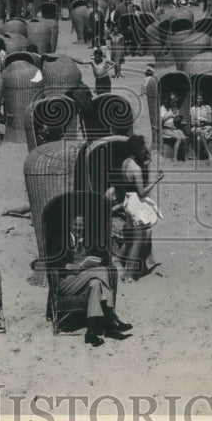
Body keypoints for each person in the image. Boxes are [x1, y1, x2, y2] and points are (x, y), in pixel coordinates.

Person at [57, 213, 133, 347]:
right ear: (70, 225)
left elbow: (103, 256)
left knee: (96, 283)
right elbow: (54, 263)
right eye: (75, 225)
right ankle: (111, 318)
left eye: (81, 225)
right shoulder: (61, 239)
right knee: (102, 271)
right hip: (68, 282)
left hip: (86, 279)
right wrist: (71, 266)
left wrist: (93, 260)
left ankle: (91, 333)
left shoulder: (87, 239)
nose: (78, 228)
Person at [109, 135, 162, 283]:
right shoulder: (136, 168)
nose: (143, 151)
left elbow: (131, 182)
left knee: (133, 236)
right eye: (141, 149)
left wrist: (144, 165)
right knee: (139, 240)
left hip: (128, 200)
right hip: (136, 204)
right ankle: (129, 275)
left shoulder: (126, 162)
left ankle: (117, 259)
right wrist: (155, 180)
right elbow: (142, 192)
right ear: (136, 149)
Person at [160, 92, 188, 160]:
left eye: (175, 101)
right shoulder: (163, 108)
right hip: (165, 129)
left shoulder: (173, 108)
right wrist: (170, 116)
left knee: (184, 138)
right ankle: (175, 158)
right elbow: (161, 120)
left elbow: (175, 121)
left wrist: (177, 119)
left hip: (173, 128)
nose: (174, 103)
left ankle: (185, 157)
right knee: (178, 138)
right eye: (173, 101)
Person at [188, 92, 212, 161]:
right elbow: (191, 122)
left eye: (201, 98)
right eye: (198, 99)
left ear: (203, 99)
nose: (199, 100)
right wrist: (196, 122)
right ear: (195, 99)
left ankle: (198, 155)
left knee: (199, 138)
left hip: (206, 127)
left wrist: (204, 120)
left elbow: (211, 121)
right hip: (196, 128)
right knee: (200, 132)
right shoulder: (192, 109)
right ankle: (208, 154)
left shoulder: (207, 107)